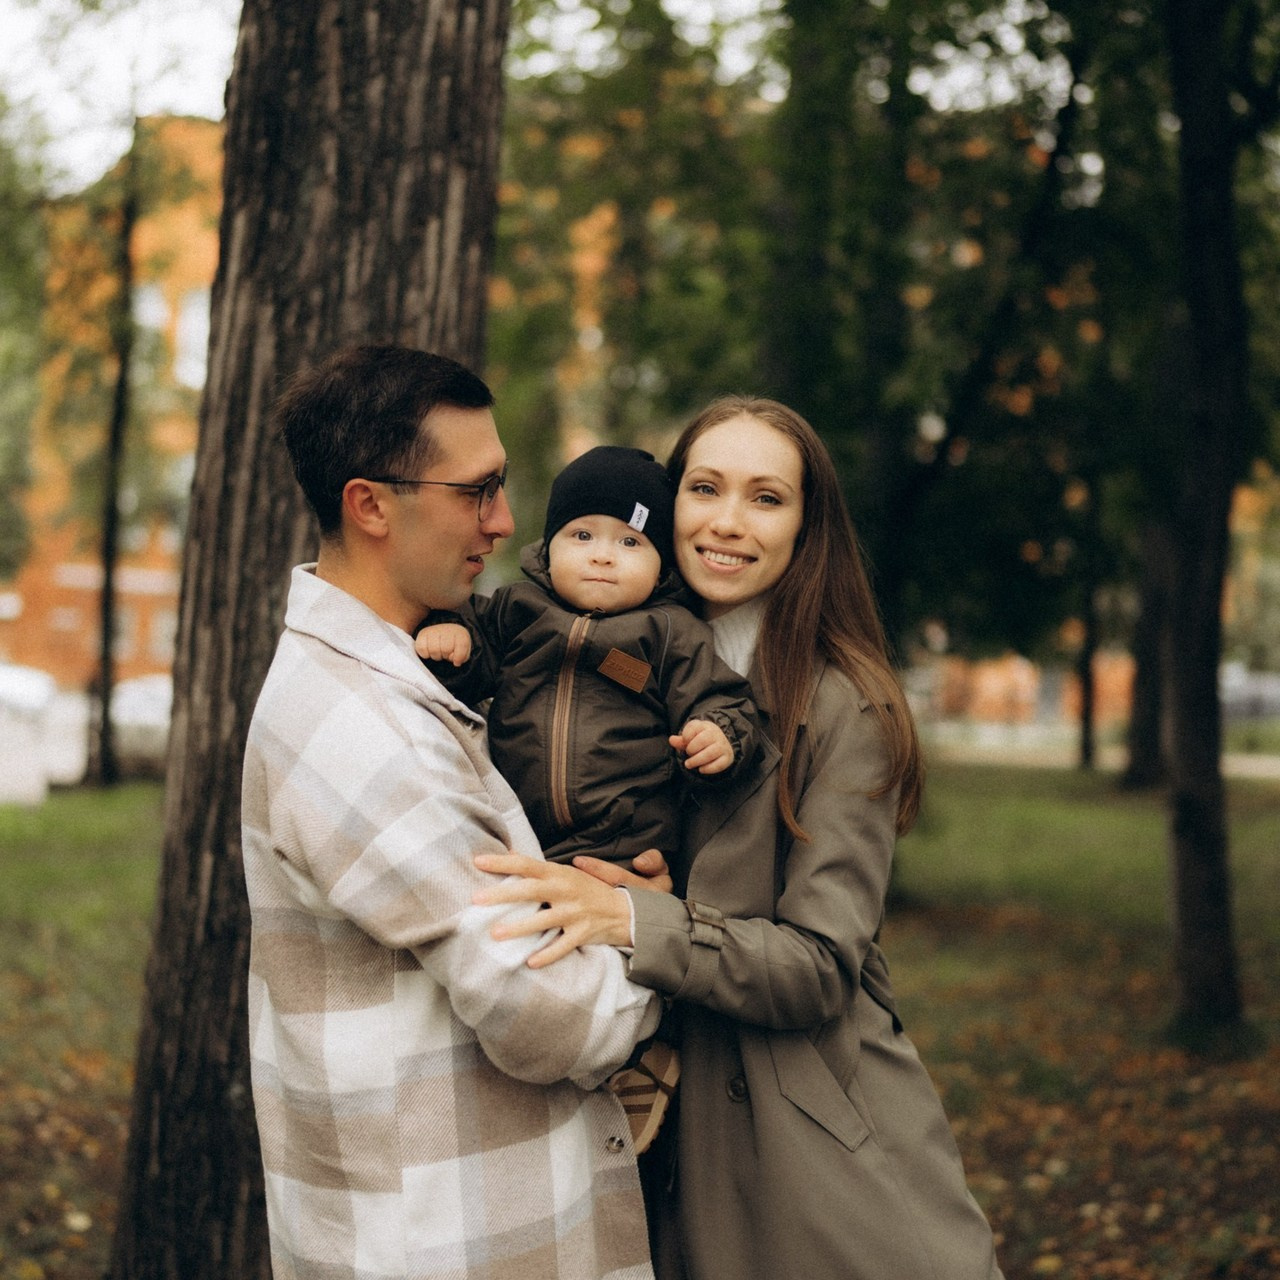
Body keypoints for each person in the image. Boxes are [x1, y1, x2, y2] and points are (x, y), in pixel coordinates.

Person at [470, 396, 1006, 1279]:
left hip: (817, 1158)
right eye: (705, 488)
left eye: (766, 498)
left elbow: (822, 967)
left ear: (807, 527)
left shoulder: (846, 706)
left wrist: (637, 919)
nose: (725, 522)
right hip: (659, 1148)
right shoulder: (612, 663)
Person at [240, 343, 665, 1280]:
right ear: (372, 504)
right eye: (478, 491)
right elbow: (547, 1010)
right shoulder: (361, 728)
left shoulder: (398, 679)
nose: (507, 521)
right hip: (445, 1247)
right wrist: (650, 936)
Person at [415, 444, 761, 867]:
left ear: (660, 567)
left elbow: (718, 695)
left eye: (630, 542)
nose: (602, 554)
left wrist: (719, 731)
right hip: (511, 830)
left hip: (622, 848)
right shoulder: (516, 609)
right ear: (549, 548)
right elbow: (472, 666)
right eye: (582, 535)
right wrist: (454, 639)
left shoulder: (670, 632)